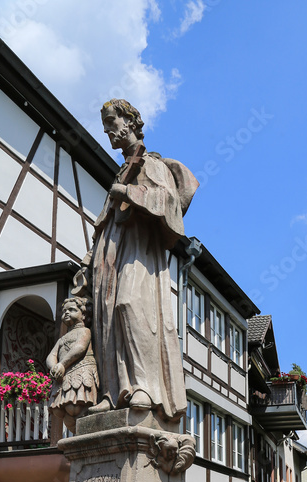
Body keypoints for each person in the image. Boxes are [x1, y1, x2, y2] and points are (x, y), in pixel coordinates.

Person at [77, 99, 198, 421]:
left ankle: (145, 386)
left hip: (139, 249)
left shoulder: (150, 163)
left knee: (130, 306)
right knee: (106, 318)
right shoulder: (123, 169)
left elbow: (168, 201)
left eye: (111, 121)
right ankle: (112, 392)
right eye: (104, 124)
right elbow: (104, 220)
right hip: (110, 250)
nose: (107, 130)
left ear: (130, 121)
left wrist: (129, 193)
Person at [46, 297, 98, 435]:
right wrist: (54, 366)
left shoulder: (84, 331)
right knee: (59, 410)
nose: (67, 313)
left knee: (75, 407)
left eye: (72, 310)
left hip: (80, 370)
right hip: (64, 376)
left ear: (84, 315)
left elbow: (80, 347)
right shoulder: (62, 338)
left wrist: (62, 364)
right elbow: (51, 355)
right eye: (64, 311)